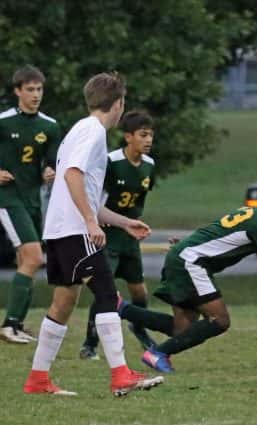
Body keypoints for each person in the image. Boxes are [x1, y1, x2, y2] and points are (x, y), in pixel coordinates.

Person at [23, 72, 165, 396]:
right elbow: (72, 175)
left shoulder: (79, 130)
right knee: (106, 295)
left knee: (64, 302)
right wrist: (89, 222)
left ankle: (38, 379)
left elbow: (81, 188)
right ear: (118, 104)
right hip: (75, 229)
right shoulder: (93, 133)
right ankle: (120, 375)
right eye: (122, 103)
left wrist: (124, 222)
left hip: (59, 229)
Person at [119, 177, 257, 373]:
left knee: (182, 330)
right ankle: (158, 353)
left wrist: (186, 242)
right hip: (191, 262)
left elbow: (215, 230)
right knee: (219, 320)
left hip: (185, 257)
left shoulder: (253, 213)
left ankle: (120, 307)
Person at [80, 111, 158, 360]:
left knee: (139, 292)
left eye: (151, 136)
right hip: (109, 235)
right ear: (128, 137)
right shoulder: (111, 162)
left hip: (129, 238)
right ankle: (89, 343)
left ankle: (138, 325)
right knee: (106, 292)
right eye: (143, 135)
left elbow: (139, 199)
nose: (148, 141)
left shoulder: (149, 165)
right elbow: (96, 201)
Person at [0, 65, 62, 343]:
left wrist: (50, 171)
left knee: (25, 260)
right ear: (17, 91)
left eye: (39, 89)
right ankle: (8, 325)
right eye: (30, 89)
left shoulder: (49, 126)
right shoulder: (3, 122)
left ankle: (18, 324)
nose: (36, 95)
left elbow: (51, 162)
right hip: (8, 198)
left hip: (33, 200)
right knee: (36, 257)